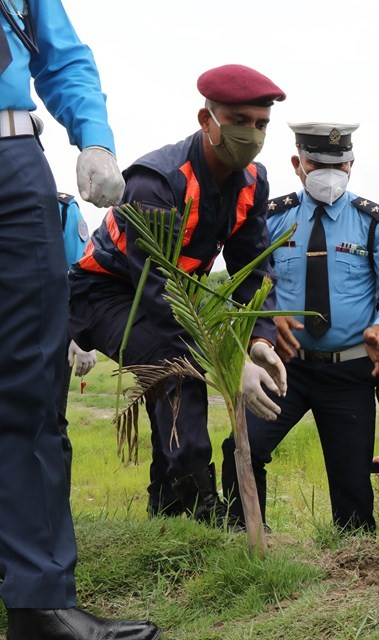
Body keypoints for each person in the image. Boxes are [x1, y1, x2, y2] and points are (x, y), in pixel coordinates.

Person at [0, 1, 160, 635]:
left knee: (32, 381)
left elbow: (59, 51)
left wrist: (93, 135)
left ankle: (39, 600)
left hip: (11, 159)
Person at [69, 64, 288, 526]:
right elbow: (159, 294)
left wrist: (259, 341)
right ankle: (197, 501)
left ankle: (167, 504)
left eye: (261, 124)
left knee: (173, 367)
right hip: (107, 291)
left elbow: (254, 272)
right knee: (176, 368)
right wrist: (228, 361)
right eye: (238, 121)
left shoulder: (252, 181)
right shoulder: (158, 181)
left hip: (171, 297)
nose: (251, 134)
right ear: (206, 120)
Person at [221, 122, 379, 532]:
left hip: (349, 373)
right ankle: (246, 540)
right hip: (285, 366)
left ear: (352, 165)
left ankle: (353, 569)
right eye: (317, 162)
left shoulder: (375, 223)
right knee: (244, 447)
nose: (330, 172)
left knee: (352, 489)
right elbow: (248, 282)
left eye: (339, 163)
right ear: (297, 163)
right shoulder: (272, 218)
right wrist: (267, 323)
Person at [57, 192, 97, 489]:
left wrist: (82, 337)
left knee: (49, 423)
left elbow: (81, 273)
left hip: (47, 338)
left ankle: (55, 515)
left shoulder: (59, 208)